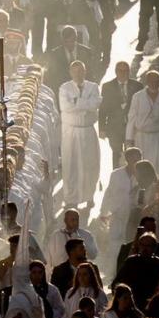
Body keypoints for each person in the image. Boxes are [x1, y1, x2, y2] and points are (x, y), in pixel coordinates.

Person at [56, 61, 102, 211]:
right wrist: (85, 105)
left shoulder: (93, 87)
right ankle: (71, 199)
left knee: (90, 164)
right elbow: (65, 107)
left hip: (88, 130)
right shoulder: (64, 88)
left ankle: (89, 196)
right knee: (70, 165)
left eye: (81, 71)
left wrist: (76, 103)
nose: (78, 74)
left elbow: (95, 104)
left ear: (85, 71)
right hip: (71, 132)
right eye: (75, 72)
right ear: (70, 72)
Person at [125, 71, 159, 183]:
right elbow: (132, 118)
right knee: (144, 165)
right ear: (147, 82)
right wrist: (129, 139)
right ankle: (143, 193)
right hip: (143, 136)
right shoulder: (138, 96)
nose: (154, 84)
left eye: (157, 81)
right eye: (152, 81)